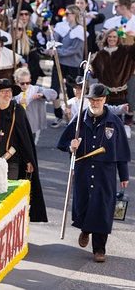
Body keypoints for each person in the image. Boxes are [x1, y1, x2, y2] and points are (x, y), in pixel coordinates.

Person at [57, 83, 130, 263]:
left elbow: (121, 150)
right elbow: (63, 142)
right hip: (83, 171)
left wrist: (124, 175)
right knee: (83, 205)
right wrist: (71, 146)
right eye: (92, 100)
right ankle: (85, 229)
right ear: (88, 100)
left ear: (105, 100)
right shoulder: (79, 119)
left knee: (103, 208)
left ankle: (99, 248)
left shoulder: (115, 122)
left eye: (99, 100)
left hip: (105, 173)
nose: (95, 103)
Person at [0, 79, 48, 222]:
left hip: (12, 160)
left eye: (9, 91)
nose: (7, 94)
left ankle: (7, 223)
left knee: (8, 194)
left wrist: (28, 160)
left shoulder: (17, 110)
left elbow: (25, 137)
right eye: (3, 91)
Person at [91, 28, 135, 136]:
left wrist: (132, 37)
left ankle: (124, 129)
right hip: (106, 92)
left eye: (114, 37)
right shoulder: (100, 54)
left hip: (120, 92)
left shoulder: (125, 52)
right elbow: (95, 72)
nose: (112, 39)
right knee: (106, 115)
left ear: (118, 38)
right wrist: (88, 69)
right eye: (110, 37)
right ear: (106, 38)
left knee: (120, 114)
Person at [47, 4, 85, 128]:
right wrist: (50, 37)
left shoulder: (80, 31)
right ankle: (58, 115)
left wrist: (58, 52)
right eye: (65, 13)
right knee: (54, 89)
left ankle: (72, 116)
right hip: (59, 63)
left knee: (71, 91)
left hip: (72, 65)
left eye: (68, 13)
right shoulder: (61, 26)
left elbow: (74, 50)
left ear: (75, 15)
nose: (66, 15)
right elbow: (54, 40)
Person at [13, 68, 57, 144]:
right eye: (22, 83)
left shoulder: (35, 90)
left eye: (28, 82)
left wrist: (42, 94)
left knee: (30, 146)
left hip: (31, 125)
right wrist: (17, 102)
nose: (25, 85)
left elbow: (54, 94)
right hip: (16, 124)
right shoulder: (12, 91)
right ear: (16, 82)